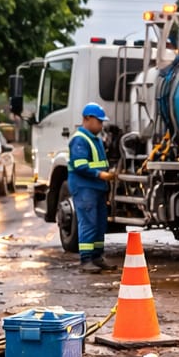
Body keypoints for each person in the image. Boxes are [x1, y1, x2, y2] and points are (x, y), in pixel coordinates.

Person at [68, 103, 116, 272]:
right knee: (88, 222)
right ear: (87, 119)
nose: (101, 125)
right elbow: (80, 165)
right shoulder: (80, 139)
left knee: (100, 223)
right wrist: (101, 175)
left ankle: (97, 256)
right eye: (99, 121)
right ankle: (86, 259)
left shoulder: (95, 139)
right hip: (85, 187)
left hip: (96, 187)